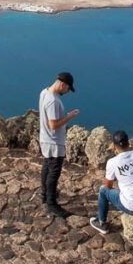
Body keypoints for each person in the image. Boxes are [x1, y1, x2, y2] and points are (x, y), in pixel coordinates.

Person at [89, 130, 133, 234]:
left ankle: (101, 223)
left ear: (114, 146)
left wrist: (117, 177)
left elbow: (108, 186)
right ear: (129, 143)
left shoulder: (113, 162)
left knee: (102, 191)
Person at [39, 72, 80, 218]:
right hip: (54, 142)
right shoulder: (53, 101)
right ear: (63, 84)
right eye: (68, 89)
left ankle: (44, 194)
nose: (67, 92)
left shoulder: (44, 92)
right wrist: (70, 116)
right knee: (54, 172)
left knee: (46, 166)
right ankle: (51, 203)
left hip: (45, 139)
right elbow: (53, 124)